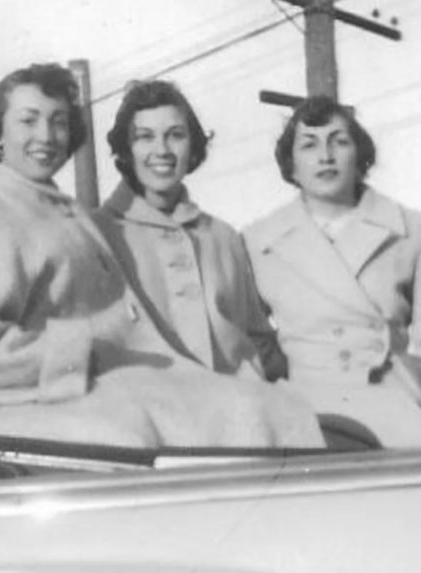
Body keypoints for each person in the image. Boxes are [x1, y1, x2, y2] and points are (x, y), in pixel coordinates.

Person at [0, 63, 324, 450]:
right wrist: (88, 348)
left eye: (59, 122)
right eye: (28, 121)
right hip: (23, 402)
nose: (46, 136)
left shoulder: (55, 212)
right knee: (187, 423)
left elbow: (258, 341)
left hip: (100, 385)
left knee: (258, 409)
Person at [242, 95, 421, 448]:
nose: (325, 156)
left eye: (339, 141)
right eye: (309, 145)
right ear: (291, 164)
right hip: (302, 409)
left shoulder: (413, 231)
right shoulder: (259, 242)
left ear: (360, 156)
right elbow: (248, 341)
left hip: (394, 406)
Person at [93, 79, 283, 380]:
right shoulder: (96, 234)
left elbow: (259, 340)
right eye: (145, 137)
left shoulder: (223, 236)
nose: (162, 150)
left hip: (237, 405)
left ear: (192, 145)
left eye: (176, 135)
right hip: (145, 412)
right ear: (125, 151)